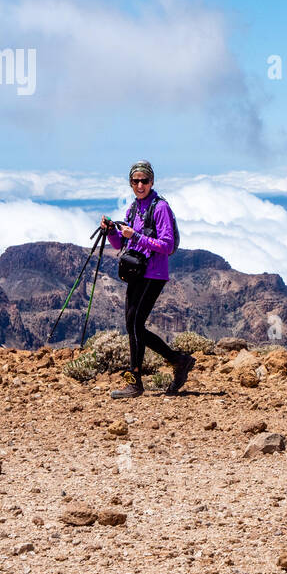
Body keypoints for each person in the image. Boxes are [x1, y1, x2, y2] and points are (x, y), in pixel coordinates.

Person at [101, 160, 195, 399]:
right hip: (136, 273)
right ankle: (177, 361)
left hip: (154, 274)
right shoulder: (133, 209)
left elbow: (167, 245)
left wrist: (137, 236)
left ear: (152, 181)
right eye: (136, 181)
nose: (140, 184)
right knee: (133, 326)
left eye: (144, 180)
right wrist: (112, 231)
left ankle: (137, 382)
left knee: (134, 325)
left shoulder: (160, 207)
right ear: (130, 183)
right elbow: (121, 244)